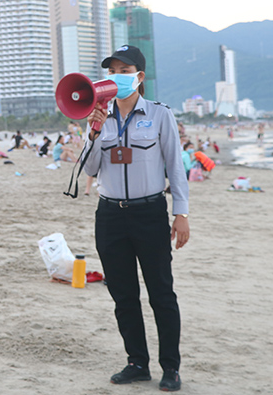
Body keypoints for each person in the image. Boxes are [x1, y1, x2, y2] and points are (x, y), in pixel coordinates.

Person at [83, 45, 189, 391]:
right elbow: (90, 168)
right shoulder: (99, 117)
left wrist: (181, 212)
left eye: (125, 71)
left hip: (149, 212)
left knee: (161, 293)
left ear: (139, 77)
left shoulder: (159, 115)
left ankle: (170, 368)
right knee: (123, 294)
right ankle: (136, 362)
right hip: (110, 215)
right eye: (112, 71)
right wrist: (94, 132)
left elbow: (175, 165)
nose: (117, 77)